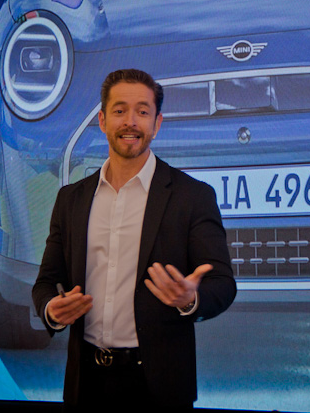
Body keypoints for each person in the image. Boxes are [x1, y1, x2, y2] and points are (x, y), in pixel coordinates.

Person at [32, 69, 236, 411]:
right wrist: (51, 310)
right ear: (102, 120)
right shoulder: (71, 200)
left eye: (142, 111)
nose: (130, 122)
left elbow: (222, 284)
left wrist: (190, 299)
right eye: (119, 110)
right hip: (86, 386)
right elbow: (46, 283)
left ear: (157, 123)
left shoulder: (192, 196)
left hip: (161, 389)